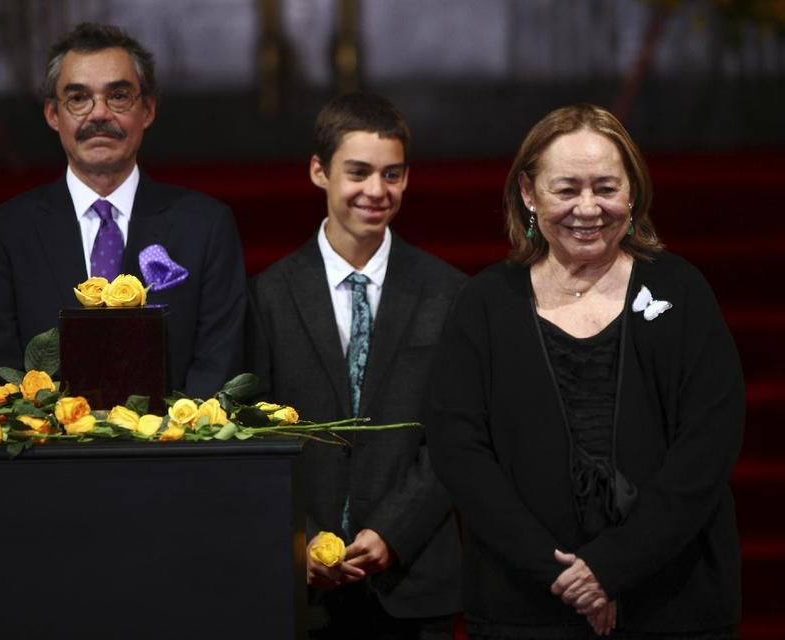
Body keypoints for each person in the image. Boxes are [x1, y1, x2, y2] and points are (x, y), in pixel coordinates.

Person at [425, 104, 744, 639]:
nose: (588, 208)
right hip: (524, 603)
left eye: (606, 187)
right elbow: (460, 451)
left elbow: (708, 445)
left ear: (633, 191)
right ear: (529, 193)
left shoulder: (681, 291)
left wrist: (612, 567)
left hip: (672, 601)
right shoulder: (484, 303)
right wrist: (560, 575)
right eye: (567, 189)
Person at [246, 91, 465, 639]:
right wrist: (304, 539)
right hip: (303, 584)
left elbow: (459, 435)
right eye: (359, 172)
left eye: (392, 175)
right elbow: (252, 428)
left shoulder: (448, 292)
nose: (377, 191)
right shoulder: (267, 296)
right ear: (319, 171)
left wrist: (393, 530)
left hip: (412, 579)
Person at [0, 22, 245, 399]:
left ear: (147, 110)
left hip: (175, 452)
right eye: (78, 98)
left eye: (118, 96)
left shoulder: (206, 226)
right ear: (52, 114)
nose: (98, 114)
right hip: (48, 454)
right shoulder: (6, 232)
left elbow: (217, 365)